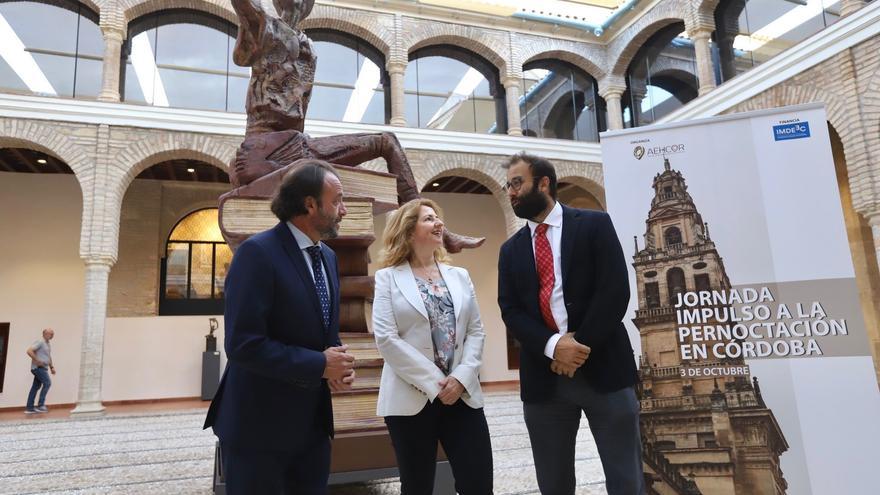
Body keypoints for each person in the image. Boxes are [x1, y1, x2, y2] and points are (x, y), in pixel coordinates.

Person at [228, 0, 482, 253]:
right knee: (381, 143)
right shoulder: (266, 28)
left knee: (386, 141)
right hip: (265, 147)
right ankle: (434, 229)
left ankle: (429, 225)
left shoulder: (306, 43)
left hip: (297, 144)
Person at [204, 160, 356, 495]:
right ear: (309, 204)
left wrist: (338, 364)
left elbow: (322, 327)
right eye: (337, 201)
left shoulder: (328, 256)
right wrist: (320, 364)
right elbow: (244, 345)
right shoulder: (256, 253)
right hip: (259, 430)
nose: (344, 210)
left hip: (312, 429)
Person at [497, 153, 644, 495]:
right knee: (554, 483)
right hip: (544, 380)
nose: (511, 192)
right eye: (507, 186)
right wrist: (554, 347)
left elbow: (614, 291)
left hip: (605, 370)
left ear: (544, 183)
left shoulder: (595, 225)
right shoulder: (511, 250)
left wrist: (576, 348)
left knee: (626, 478)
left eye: (517, 183)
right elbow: (510, 310)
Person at [372, 198, 494, 494]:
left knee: (477, 482)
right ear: (408, 230)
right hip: (410, 399)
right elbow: (386, 338)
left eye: (438, 218)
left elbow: (476, 332)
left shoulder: (460, 276)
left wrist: (461, 379)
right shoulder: (387, 278)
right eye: (429, 219)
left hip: (462, 394)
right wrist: (437, 384)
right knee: (416, 486)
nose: (439, 223)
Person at [25, 328, 55, 414]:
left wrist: (51, 367)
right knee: (47, 383)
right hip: (38, 368)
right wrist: (37, 360)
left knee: (35, 387)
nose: (52, 336)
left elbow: (48, 357)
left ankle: (29, 408)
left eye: (53, 334)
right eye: (50, 334)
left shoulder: (48, 344)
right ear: (44, 334)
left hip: (43, 368)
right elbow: (29, 351)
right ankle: (41, 405)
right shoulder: (40, 342)